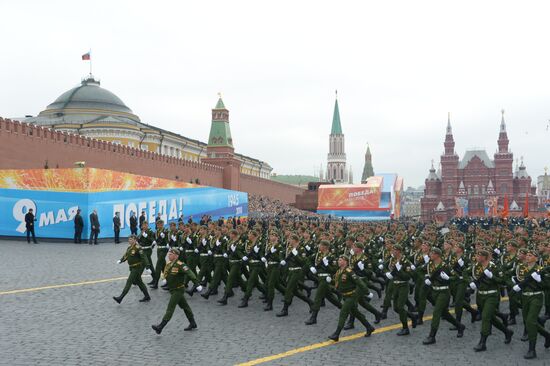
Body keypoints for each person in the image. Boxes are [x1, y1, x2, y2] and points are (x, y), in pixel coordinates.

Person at [151, 248, 203, 334]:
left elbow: (190, 273)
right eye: (169, 254)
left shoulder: (180, 265)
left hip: (178, 290)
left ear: (176, 256)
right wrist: (165, 279)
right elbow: (167, 273)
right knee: (185, 307)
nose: (169, 255)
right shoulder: (169, 264)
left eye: (171, 254)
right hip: (172, 289)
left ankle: (160, 326)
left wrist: (197, 284)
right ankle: (193, 323)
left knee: (170, 308)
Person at [328, 255, 375, 341]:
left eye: (340, 260)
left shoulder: (349, 272)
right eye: (338, 260)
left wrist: (367, 292)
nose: (338, 261)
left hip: (351, 296)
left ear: (345, 262)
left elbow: (359, 282)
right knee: (356, 313)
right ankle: (369, 327)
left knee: (343, 312)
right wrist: (330, 281)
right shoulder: (339, 271)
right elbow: (337, 283)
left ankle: (336, 334)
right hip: (345, 296)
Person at [113, 235, 152, 303]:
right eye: (129, 239)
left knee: (129, 281)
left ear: (135, 240)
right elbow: (126, 255)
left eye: (131, 239)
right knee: (139, 282)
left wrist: (147, 267)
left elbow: (144, 257)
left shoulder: (138, 248)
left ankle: (120, 297)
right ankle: (147, 296)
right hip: (132, 267)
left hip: (137, 268)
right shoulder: (129, 248)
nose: (129, 240)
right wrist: (121, 260)